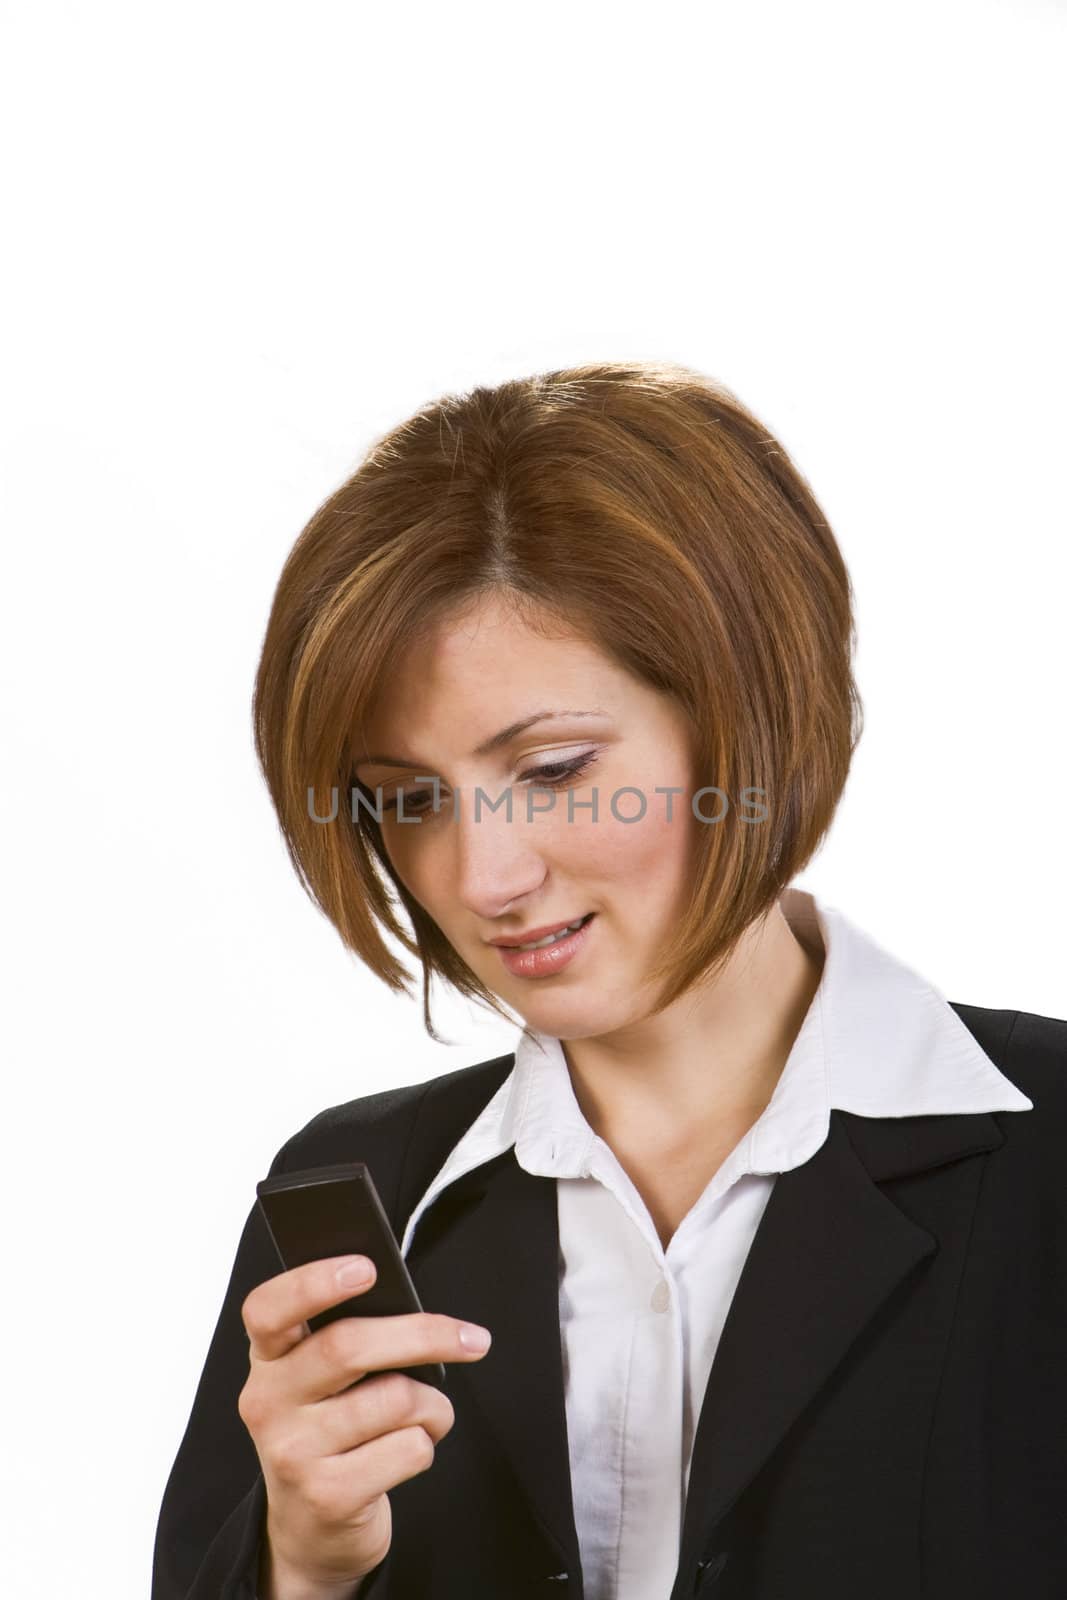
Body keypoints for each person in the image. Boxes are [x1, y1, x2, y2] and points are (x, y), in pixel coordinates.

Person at [152, 362, 1067, 1600]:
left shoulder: (1042, 1160)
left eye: (553, 767)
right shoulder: (360, 1201)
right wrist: (300, 1567)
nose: (482, 876)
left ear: (743, 714)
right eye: (409, 800)